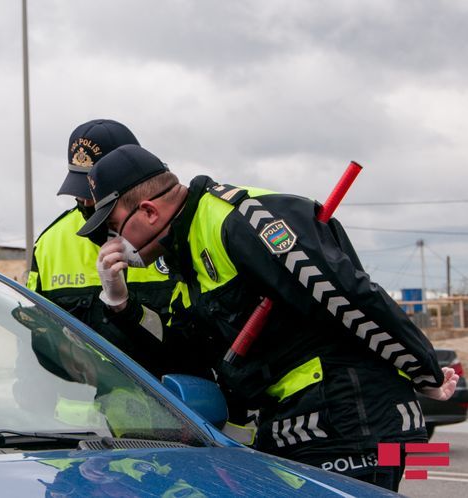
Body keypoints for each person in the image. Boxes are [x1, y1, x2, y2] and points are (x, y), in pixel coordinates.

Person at [76, 143, 459, 491]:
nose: (112, 243)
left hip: (350, 419)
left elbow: (349, 297)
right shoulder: (185, 256)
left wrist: (423, 371)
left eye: (113, 227)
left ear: (148, 210)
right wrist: (120, 304)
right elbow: (183, 354)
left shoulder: (239, 221)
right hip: (295, 427)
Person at [25, 120, 175, 377]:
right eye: (78, 188)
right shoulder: (50, 243)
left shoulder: (167, 233)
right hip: (78, 413)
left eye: (92, 190)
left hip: (170, 409)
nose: (84, 200)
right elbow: (35, 335)